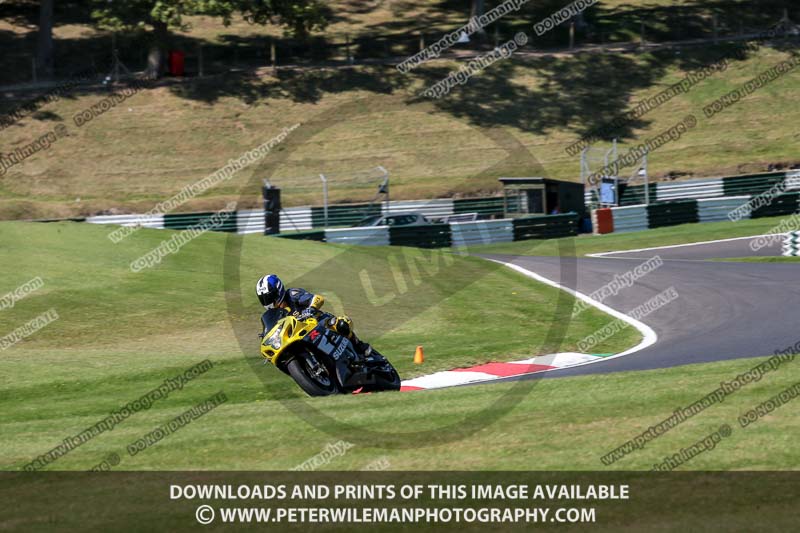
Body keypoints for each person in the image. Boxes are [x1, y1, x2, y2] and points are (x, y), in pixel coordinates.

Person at [255, 274, 374, 356]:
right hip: (301, 337)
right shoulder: (274, 314)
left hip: (319, 323)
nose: (268, 302)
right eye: (264, 299)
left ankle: (360, 346)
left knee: (341, 324)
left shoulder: (292, 294)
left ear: (278, 290)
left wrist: (311, 309)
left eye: (269, 297)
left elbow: (317, 298)